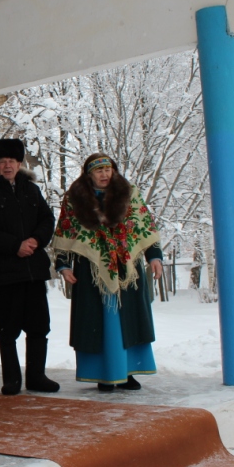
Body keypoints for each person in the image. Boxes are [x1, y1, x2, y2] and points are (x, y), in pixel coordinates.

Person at [52, 153, 163, 391]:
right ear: (89, 174)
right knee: (96, 323)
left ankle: (129, 371)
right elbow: (65, 231)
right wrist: (63, 265)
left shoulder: (129, 194)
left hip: (127, 269)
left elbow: (145, 226)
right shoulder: (76, 199)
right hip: (90, 271)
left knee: (128, 321)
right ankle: (102, 373)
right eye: (98, 170)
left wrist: (154, 257)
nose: (103, 174)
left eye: (107, 169)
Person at [0, 138, 58, 395]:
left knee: (39, 326)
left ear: (20, 163)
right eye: (2, 161)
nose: (7, 166)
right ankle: (11, 379)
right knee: (7, 330)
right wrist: (15, 245)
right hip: (6, 272)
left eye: (12, 161)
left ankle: (37, 376)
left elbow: (47, 218)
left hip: (34, 270)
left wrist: (36, 240)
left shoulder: (31, 190)